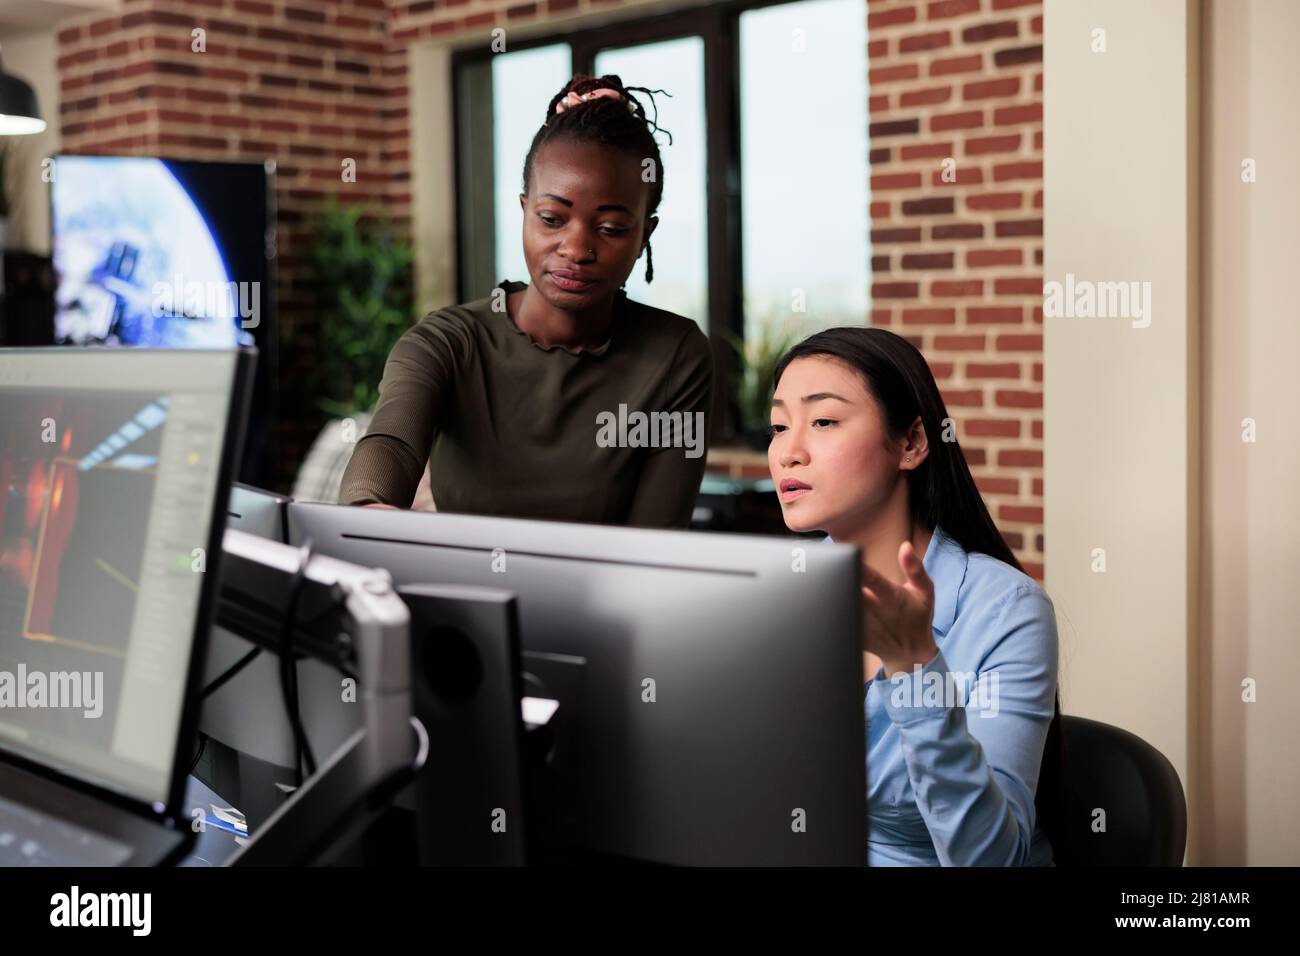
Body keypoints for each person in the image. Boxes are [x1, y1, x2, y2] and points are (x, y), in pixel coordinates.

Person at [338, 75, 713, 527]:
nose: (576, 249)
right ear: (524, 211)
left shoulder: (676, 356)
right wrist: (366, 510)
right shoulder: (448, 342)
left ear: (644, 235)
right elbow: (392, 441)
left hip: (610, 595)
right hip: (463, 591)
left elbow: (656, 540)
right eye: (552, 218)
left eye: (612, 228)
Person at [767, 326, 1062, 866]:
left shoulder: (1006, 610)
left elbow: (991, 859)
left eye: (824, 421)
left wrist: (913, 665)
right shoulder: (785, 592)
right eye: (779, 426)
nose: (788, 452)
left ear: (911, 443)